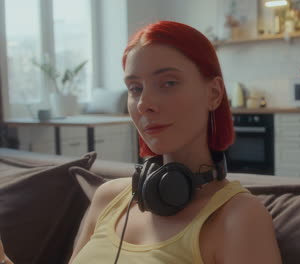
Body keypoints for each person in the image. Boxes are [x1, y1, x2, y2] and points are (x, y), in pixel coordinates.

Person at [66, 20, 282, 263]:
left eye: (168, 83)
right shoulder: (107, 197)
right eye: (135, 88)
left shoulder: (238, 217)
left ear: (213, 94)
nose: (143, 103)